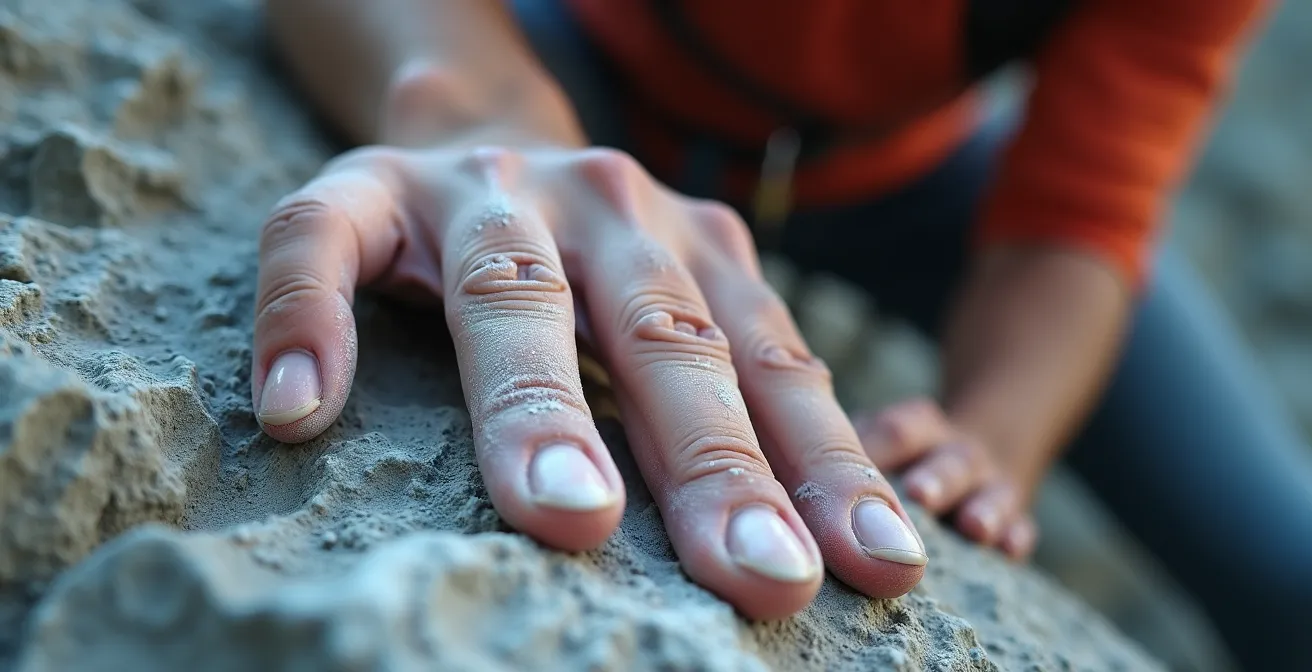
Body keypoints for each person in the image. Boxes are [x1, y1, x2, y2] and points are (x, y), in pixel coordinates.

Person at [252, 0, 1312, 667]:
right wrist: (480, 130)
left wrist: (990, 441)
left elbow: (1080, 212)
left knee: (1285, 563)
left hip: (909, 179)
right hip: (567, 61)